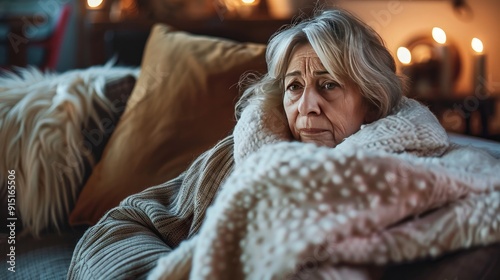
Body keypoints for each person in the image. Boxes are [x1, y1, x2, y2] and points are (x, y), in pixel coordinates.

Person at [68, 8, 500, 280]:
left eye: (328, 86)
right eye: (294, 87)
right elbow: (121, 223)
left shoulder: (422, 171)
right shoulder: (238, 155)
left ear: (370, 104)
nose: (306, 106)